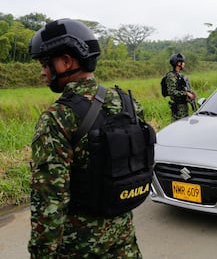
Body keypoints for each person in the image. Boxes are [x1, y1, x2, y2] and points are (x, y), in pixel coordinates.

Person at [28, 18, 144, 258]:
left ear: (66, 62)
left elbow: (50, 200)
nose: (42, 72)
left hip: (78, 245)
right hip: (123, 234)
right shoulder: (128, 103)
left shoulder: (58, 117)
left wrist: (42, 253)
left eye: (44, 64)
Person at [164, 53, 196, 122]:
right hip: (178, 109)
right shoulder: (171, 76)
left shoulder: (181, 75)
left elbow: (184, 89)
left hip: (184, 107)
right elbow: (172, 92)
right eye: (183, 62)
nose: (184, 64)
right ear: (178, 64)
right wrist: (186, 93)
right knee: (177, 127)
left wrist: (191, 95)